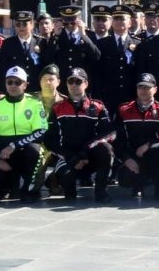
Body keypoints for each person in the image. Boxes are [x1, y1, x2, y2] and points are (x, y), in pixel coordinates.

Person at [45, 68, 115, 203]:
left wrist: (85, 150)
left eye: (78, 81)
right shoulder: (57, 108)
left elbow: (109, 133)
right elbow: (50, 140)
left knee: (106, 150)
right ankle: (55, 179)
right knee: (69, 196)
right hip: (68, 158)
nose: (74, 85)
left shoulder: (98, 107)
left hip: (90, 156)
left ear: (86, 84)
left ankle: (101, 191)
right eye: (71, 81)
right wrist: (70, 157)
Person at [0, 66, 48, 203]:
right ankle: (8, 185)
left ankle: (28, 188)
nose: (13, 85)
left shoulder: (35, 104)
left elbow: (41, 132)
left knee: (35, 150)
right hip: (2, 155)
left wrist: (14, 145)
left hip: (24, 152)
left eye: (17, 82)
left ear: (25, 85)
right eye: (9, 82)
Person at [114, 74, 159, 200]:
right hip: (134, 156)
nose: (143, 90)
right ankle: (138, 185)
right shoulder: (124, 109)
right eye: (140, 87)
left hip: (155, 155)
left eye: (147, 87)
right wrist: (126, 159)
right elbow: (116, 139)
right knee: (125, 179)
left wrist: (149, 145)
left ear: (155, 89)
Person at [95, 5, 139, 112]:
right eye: (116, 18)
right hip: (108, 96)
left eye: (122, 19)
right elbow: (97, 72)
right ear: (111, 22)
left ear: (129, 22)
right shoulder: (102, 44)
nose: (119, 21)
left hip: (130, 96)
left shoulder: (138, 44)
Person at [48, 5, 100, 83]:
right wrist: (56, 36)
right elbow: (48, 58)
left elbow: (96, 56)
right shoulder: (56, 35)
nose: (69, 24)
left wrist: (83, 35)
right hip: (63, 82)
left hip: (81, 82)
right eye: (66, 20)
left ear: (79, 19)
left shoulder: (89, 35)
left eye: (72, 20)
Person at [0, 10, 45, 93]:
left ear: (32, 24)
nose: (21, 27)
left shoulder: (41, 42)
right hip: (16, 90)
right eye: (18, 24)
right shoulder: (8, 44)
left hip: (36, 90)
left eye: (24, 24)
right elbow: (3, 68)